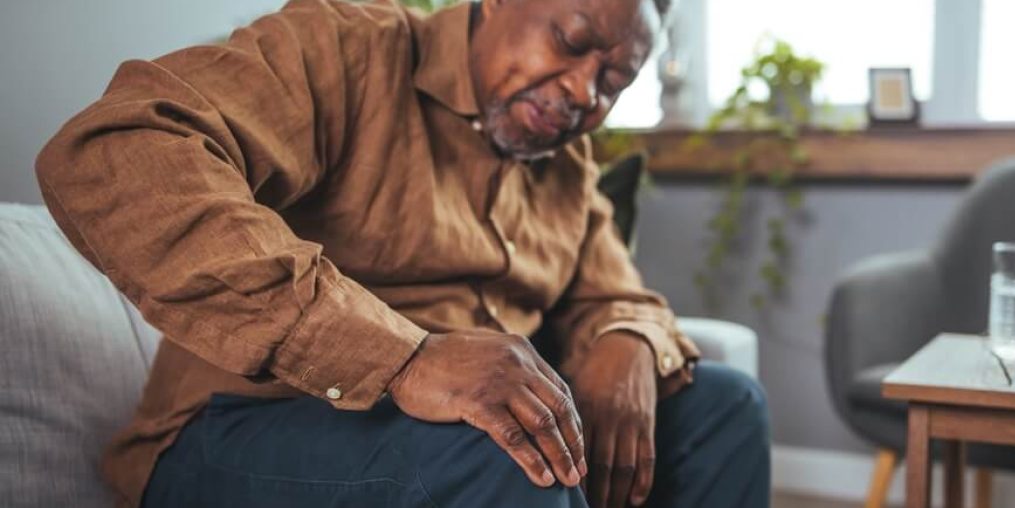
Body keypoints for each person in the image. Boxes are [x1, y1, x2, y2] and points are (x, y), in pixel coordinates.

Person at [35, 0, 770, 506]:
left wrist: (627, 343)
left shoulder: (565, 165)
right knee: (503, 449)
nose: (584, 91)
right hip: (240, 426)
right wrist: (403, 356)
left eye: (614, 82)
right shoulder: (343, 50)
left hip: (445, 442)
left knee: (725, 407)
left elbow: (616, 294)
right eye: (572, 42)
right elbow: (117, 148)